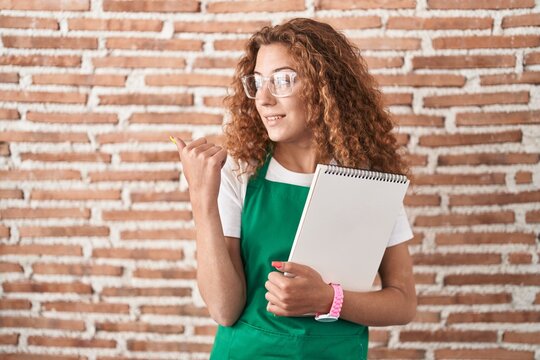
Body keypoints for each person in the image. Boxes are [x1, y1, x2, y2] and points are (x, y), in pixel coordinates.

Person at [171, 18, 416, 360]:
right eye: (257, 82)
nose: (264, 99)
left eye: (283, 80)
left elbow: (403, 302)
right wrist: (202, 199)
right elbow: (224, 310)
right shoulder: (238, 174)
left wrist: (328, 300)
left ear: (324, 86)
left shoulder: (370, 180)